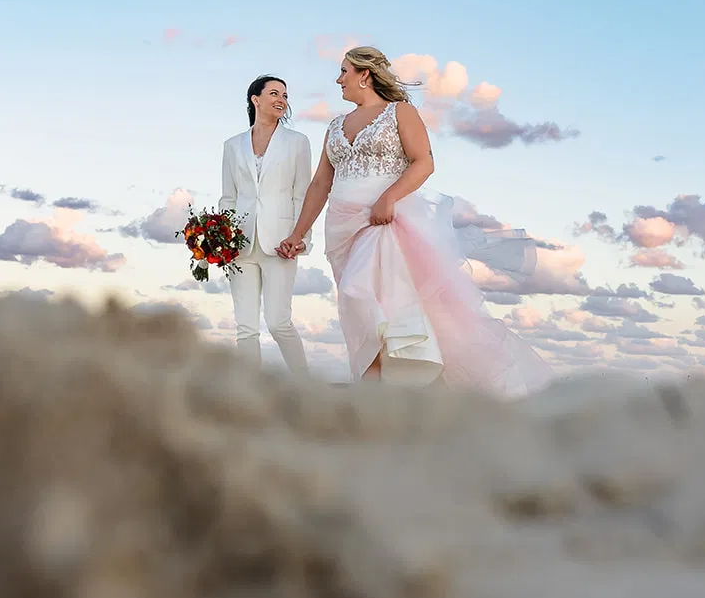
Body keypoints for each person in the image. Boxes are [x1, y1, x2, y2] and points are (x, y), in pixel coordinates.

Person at [277, 46, 553, 397]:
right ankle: (373, 394)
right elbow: (320, 183)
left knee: (359, 295)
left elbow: (423, 162)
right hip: (341, 228)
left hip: (384, 222)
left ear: (365, 74)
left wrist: (388, 198)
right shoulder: (334, 126)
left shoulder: (399, 112)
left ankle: (412, 388)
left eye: (344, 71)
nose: (338, 79)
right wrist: (297, 234)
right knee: (363, 314)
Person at [218, 75, 313, 375]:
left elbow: (303, 193)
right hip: (240, 247)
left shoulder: (298, 142)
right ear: (255, 100)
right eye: (274, 93)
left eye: (284, 94)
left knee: (278, 322)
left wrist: (300, 238)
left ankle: (305, 385)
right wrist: (223, 240)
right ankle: (251, 393)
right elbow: (228, 197)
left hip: (281, 242)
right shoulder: (232, 146)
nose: (281, 99)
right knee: (245, 327)